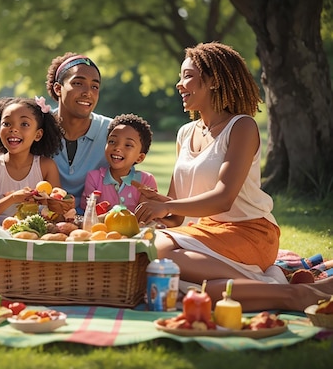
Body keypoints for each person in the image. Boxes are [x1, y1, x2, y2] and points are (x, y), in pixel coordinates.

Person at [133, 42, 333, 311]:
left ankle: (272, 283)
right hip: (205, 234)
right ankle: (293, 294)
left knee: (159, 252)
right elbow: (177, 215)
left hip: (249, 232)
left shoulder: (241, 126)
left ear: (214, 81)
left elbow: (223, 198)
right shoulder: (185, 133)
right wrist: (160, 204)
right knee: (209, 291)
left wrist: (166, 205)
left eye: (188, 76)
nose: (179, 84)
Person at [0, 96, 63, 225]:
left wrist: (48, 201)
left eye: (24, 124)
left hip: (35, 233)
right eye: (6, 124)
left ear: (38, 135)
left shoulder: (46, 166)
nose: (14, 129)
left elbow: (58, 215)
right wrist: (12, 198)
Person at [46, 52, 112, 212]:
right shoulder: (38, 128)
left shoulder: (112, 132)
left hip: (96, 225)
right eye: (78, 83)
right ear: (58, 88)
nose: (87, 92)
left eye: (95, 86)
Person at [80, 113, 157, 213]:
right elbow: (89, 214)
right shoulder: (94, 178)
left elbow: (144, 216)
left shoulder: (146, 181)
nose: (117, 148)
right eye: (112, 141)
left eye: (128, 145)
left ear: (140, 157)